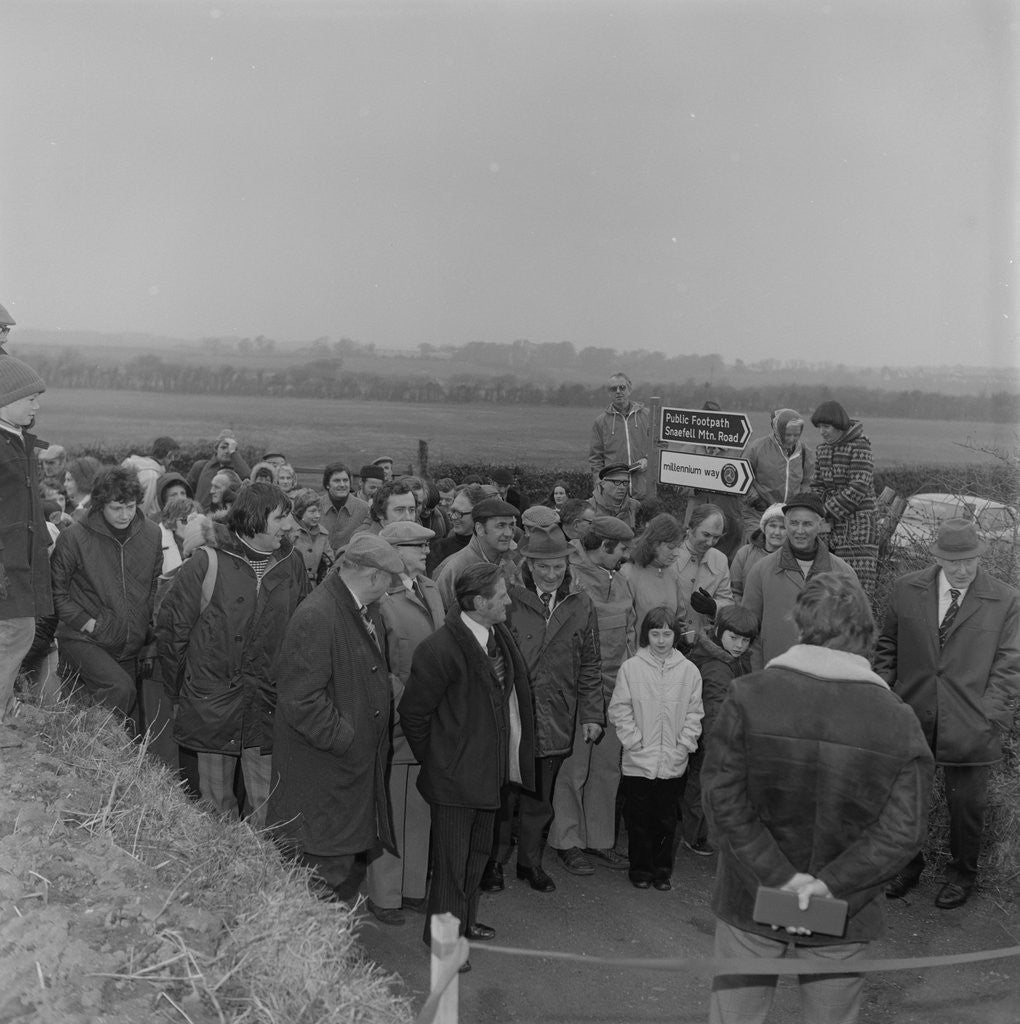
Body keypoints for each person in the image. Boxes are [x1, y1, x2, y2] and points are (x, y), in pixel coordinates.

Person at [703, 573, 933, 1024]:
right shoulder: (898, 718)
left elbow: (722, 798)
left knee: (734, 1016)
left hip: (752, 893)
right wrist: (828, 886)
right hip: (845, 906)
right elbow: (904, 829)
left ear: (801, 624)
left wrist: (780, 880)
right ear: (866, 634)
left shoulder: (749, 695)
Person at [874, 518, 1020, 909]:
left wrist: (988, 716)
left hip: (972, 723)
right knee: (907, 798)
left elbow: (1010, 665)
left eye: (969, 560)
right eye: (953, 561)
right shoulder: (907, 588)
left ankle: (961, 875)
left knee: (966, 807)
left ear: (979, 555)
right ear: (936, 557)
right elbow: (887, 644)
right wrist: (886, 693)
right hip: (912, 713)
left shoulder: (1005, 599)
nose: (962, 569)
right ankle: (908, 866)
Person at [399, 563, 536, 968]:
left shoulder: (499, 637)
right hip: (455, 782)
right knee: (450, 868)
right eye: (502, 595)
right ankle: (444, 946)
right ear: (479, 603)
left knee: (478, 857)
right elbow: (414, 715)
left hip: (490, 778)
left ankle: (463, 922)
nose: (509, 600)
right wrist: (442, 762)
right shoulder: (439, 649)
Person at [156, 483, 308, 825]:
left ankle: (264, 873)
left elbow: (302, 632)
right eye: (280, 518)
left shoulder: (292, 563)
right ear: (254, 520)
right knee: (215, 806)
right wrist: (181, 693)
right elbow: (173, 632)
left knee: (269, 805)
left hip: (268, 702)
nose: (289, 526)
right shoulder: (206, 562)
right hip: (213, 702)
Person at [267, 533, 404, 900]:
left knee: (332, 871)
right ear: (374, 576)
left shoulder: (354, 607)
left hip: (339, 780)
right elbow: (300, 699)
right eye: (392, 580)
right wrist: (347, 740)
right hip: (323, 781)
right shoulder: (318, 614)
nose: (393, 589)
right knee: (314, 879)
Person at [486, 525, 602, 894]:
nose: (551, 575)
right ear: (528, 564)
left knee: (540, 800)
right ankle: (494, 862)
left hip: (556, 716)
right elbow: (491, 655)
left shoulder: (581, 604)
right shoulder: (508, 599)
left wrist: (593, 715)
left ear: (567, 565)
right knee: (503, 797)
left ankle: (530, 864)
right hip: (512, 717)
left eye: (558, 567)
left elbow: (590, 663)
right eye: (543, 567)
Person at [365, 521, 445, 926]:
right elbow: (378, 664)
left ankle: (413, 888)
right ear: (394, 551)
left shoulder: (430, 588)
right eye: (417, 546)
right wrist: (408, 704)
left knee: (421, 808)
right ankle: (384, 895)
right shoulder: (380, 597)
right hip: (399, 721)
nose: (425, 552)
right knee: (392, 809)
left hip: (431, 720)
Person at [548, 515, 636, 876]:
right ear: (603, 547)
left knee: (607, 770)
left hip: (616, 691)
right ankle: (566, 841)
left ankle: (599, 840)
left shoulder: (620, 580)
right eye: (623, 550)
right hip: (582, 692)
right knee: (574, 770)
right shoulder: (574, 580)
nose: (627, 556)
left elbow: (629, 634)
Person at [51, 466, 162, 730]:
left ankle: (90, 747)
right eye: (116, 508)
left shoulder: (152, 533)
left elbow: (155, 582)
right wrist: (86, 622)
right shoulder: (73, 537)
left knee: (130, 724)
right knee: (120, 689)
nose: (125, 515)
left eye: (131, 506)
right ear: (100, 504)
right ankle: (87, 745)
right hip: (82, 637)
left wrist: (146, 621)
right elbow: (55, 591)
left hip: (129, 640)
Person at [609, 607, 703, 891]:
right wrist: (634, 741)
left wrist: (684, 746)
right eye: (655, 633)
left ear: (675, 636)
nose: (661, 640)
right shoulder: (631, 668)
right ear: (645, 634)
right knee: (638, 818)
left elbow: (694, 713)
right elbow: (620, 709)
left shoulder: (689, 671)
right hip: (639, 759)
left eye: (667, 633)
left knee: (665, 820)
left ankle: (661, 870)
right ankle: (640, 869)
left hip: (673, 761)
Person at [0, 328, 53, 745]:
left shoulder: (16, 440)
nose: (37, 403)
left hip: (21, 557)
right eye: (30, 397)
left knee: (20, 633)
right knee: (16, 634)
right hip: (5, 561)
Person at [742, 493, 858, 671]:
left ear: (820, 525)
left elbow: (853, 634)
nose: (799, 531)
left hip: (825, 679)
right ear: (786, 523)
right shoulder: (761, 571)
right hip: (773, 676)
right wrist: (757, 677)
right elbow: (747, 631)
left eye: (807, 524)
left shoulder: (843, 574)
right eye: (794, 523)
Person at [681, 604, 758, 856]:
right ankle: (693, 835)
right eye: (734, 638)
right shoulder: (717, 667)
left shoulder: (731, 658)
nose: (739, 645)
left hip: (717, 732)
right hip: (711, 736)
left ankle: (695, 831)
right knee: (700, 785)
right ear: (720, 631)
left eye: (745, 640)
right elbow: (714, 709)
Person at [810, 400, 879, 600]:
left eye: (826, 427)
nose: (822, 432)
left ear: (838, 425)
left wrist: (824, 512)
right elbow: (817, 484)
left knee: (857, 585)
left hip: (860, 525)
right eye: (819, 427)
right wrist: (815, 510)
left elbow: (858, 486)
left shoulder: (860, 445)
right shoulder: (822, 449)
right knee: (827, 583)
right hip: (828, 525)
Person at [433, 497, 523, 608]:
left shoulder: (511, 563)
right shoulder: (454, 569)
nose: (509, 533)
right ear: (479, 529)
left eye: (511, 525)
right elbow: (438, 616)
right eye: (500, 526)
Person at [618, 513, 694, 636]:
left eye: (678, 547)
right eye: (670, 547)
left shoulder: (672, 574)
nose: (676, 554)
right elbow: (623, 627)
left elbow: (679, 616)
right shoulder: (628, 574)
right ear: (653, 544)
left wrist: (679, 630)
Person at [742, 409, 812, 536]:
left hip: (788, 516)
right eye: (787, 435)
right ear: (777, 430)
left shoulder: (805, 452)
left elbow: (807, 482)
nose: (791, 439)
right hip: (758, 513)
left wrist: (799, 504)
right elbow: (741, 477)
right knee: (759, 548)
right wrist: (755, 500)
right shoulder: (756, 448)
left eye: (796, 435)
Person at [673, 503, 734, 637]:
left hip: (702, 644)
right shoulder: (670, 554)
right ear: (692, 526)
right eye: (706, 534)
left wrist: (714, 607)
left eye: (716, 537)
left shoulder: (720, 560)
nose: (710, 542)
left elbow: (728, 603)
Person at [589, 372, 651, 499]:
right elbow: (596, 458)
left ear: (629, 389)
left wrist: (648, 459)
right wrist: (599, 485)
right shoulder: (600, 422)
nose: (618, 391)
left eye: (622, 387)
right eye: (613, 389)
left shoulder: (647, 415)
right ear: (609, 393)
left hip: (644, 489)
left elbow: (660, 444)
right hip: (615, 493)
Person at [426, 483, 491, 576]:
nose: (453, 517)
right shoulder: (438, 549)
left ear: (478, 514)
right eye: (452, 511)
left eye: (459, 513)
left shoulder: (493, 548)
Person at [730, 503, 786, 601]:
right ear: (764, 527)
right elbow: (734, 592)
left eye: (783, 527)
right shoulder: (744, 553)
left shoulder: (795, 559)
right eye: (772, 526)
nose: (777, 532)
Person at [187, 430, 251, 508]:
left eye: (230, 448)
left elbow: (248, 478)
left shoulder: (237, 473)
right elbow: (187, 492)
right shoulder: (200, 466)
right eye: (223, 447)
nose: (227, 451)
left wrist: (234, 453)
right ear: (216, 449)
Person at [319, 461, 371, 553]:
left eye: (345, 480)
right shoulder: (316, 506)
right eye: (337, 481)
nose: (342, 485)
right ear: (327, 484)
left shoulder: (364, 509)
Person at [121, 436, 179, 518]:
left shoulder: (138, 464)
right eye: (174, 455)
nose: (173, 459)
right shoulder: (152, 477)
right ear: (168, 454)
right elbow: (143, 507)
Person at [291, 488, 332, 586]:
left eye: (319, 511)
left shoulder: (323, 534)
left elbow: (330, 562)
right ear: (301, 512)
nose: (317, 515)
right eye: (312, 511)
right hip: (292, 586)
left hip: (313, 588)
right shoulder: (289, 532)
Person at [587, 464, 640, 529]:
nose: (622, 487)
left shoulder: (634, 506)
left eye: (625, 482)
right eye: (617, 482)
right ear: (603, 483)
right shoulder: (588, 507)